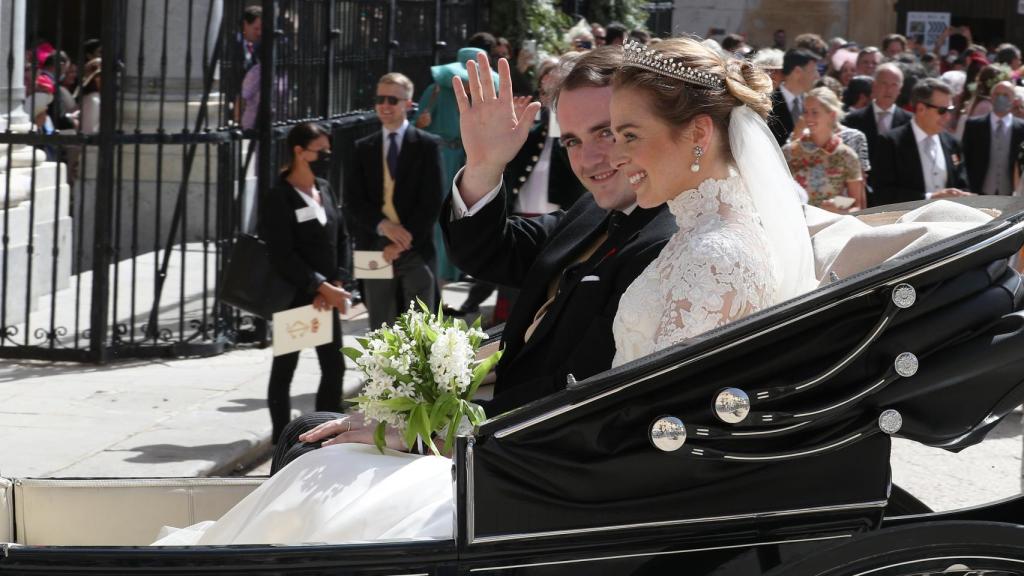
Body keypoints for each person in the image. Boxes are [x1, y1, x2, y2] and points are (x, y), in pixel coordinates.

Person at [270, 47, 676, 475]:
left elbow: (578, 392)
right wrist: (484, 165)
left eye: (607, 133)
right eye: (572, 140)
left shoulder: (666, 242)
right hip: (496, 421)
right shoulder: (595, 211)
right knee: (307, 435)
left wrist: (432, 430)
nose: (587, 159)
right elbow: (491, 252)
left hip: (525, 450)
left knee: (313, 447)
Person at [609, 38, 815, 366]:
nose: (614, 157)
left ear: (699, 134)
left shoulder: (717, 255)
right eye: (615, 137)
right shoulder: (703, 233)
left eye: (630, 136)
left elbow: (661, 402)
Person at [262, 123, 351, 444]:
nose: (326, 157)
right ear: (299, 152)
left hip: (326, 296)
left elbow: (341, 237)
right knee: (285, 369)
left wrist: (337, 280)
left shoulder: (324, 187)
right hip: (296, 296)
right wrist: (319, 286)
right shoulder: (279, 197)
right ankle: (281, 439)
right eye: (320, 151)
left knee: (334, 367)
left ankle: (323, 432)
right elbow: (282, 254)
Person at [345, 73, 444, 329]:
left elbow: (432, 201)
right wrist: (383, 226)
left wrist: (401, 240)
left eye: (392, 99)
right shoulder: (362, 147)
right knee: (380, 327)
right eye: (380, 99)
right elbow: (354, 202)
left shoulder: (427, 146)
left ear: (408, 104)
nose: (385, 105)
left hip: (415, 246)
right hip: (372, 243)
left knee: (420, 328)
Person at [414, 32, 499, 282]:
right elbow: (414, 128)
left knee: (467, 214)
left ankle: (461, 267)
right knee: (440, 212)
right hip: (440, 158)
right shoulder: (437, 90)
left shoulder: (487, 98)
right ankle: (440, 269)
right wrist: (421, 122)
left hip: (471, 159)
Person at [872, 78, 971, 206]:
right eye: (942, 111)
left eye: (950, 110)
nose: (948, 116)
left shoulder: (952, 143)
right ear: (921, 109)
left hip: (947, 221)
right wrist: (929, 198)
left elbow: (962, 184)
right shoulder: (891, 142)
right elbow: (883, 193)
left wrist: (962, 195)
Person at [783, 87, 865, 211]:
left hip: (833, 226)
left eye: (814, 112)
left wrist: (840, 211)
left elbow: (858, 206)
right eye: (806, 112)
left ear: (832, 115)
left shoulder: (847, 156)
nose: (808, 118)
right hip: (798, 226)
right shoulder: (789, 152)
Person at [962, 81, 1024, 196]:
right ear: (991, 97)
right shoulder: (974, 125)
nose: (1001, 98)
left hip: (1010, 193)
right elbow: (965, 158)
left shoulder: (1021, 128)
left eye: (1006, 95)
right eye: (997, 94)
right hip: (979, 191)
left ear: (1014, 99)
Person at [769, 48, 821, 146]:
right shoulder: (768, 104)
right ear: (797, 72)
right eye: (813, 71)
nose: (817, 76)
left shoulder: (813, 103)